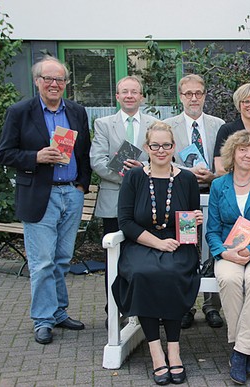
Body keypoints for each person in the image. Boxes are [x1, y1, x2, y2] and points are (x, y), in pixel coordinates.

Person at [0, 55, 92, 345]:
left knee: (62, 259)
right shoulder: (20, 112)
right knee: (42, 262)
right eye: (48, 79)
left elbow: (84, 151)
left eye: (59, 79)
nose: (54, 84)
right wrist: (34, 157)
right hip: (40, 193)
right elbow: (4, 153)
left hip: (71, 194)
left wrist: (81, 186)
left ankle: (59, 312)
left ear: (66, 83)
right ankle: (42, 319)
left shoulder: (77, 111)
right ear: (37, 81)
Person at [112, 122, 203, 385]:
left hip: (179, 245)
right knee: (143, 273)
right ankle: (155, 351)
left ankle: (174, 350)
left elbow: (191, 217)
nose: (160, 150)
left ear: (174, 147)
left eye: (166, 145)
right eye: (155, 145)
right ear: (146, 148)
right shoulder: (135, 177)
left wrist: (196, 219)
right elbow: (126, 222)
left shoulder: (186, 178)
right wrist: (157, 243)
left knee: (172, 273)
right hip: (142, 244)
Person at [205, 130, 250, 385]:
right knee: (229, 279)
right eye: (242, 150)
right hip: (228, 251)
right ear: (232, 153)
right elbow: (212, 230)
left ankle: (239, 352)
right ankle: (249, 350)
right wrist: (224, 252)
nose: (248, 155)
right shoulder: (218, 185)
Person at [90, 76, 157, 324]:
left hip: (147, 202)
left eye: (134, 92)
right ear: (117, 97)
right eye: (124, 92)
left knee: (145, 257)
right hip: (114, 201)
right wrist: (127, 177)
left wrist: (144, 168)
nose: (129, 96)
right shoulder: (104, 124)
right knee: (114, 259)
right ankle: (115, 310)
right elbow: (97, 161)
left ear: (141, 96)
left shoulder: (154, 123)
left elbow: (161, 157)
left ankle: (145, 308)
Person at [164, 74, 225, 329]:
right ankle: (185, 305)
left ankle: (212, 306)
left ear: (205, 95)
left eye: (198, 93)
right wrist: (186, 172)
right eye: (188, 93)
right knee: (187, 247)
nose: (193, 98)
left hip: (213, 192)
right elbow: (161, 159)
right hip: (182, 195)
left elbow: (226, 159)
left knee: (213, 247)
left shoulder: (218, 124)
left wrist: (213, 174)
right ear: (180, 96)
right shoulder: (167, 125)